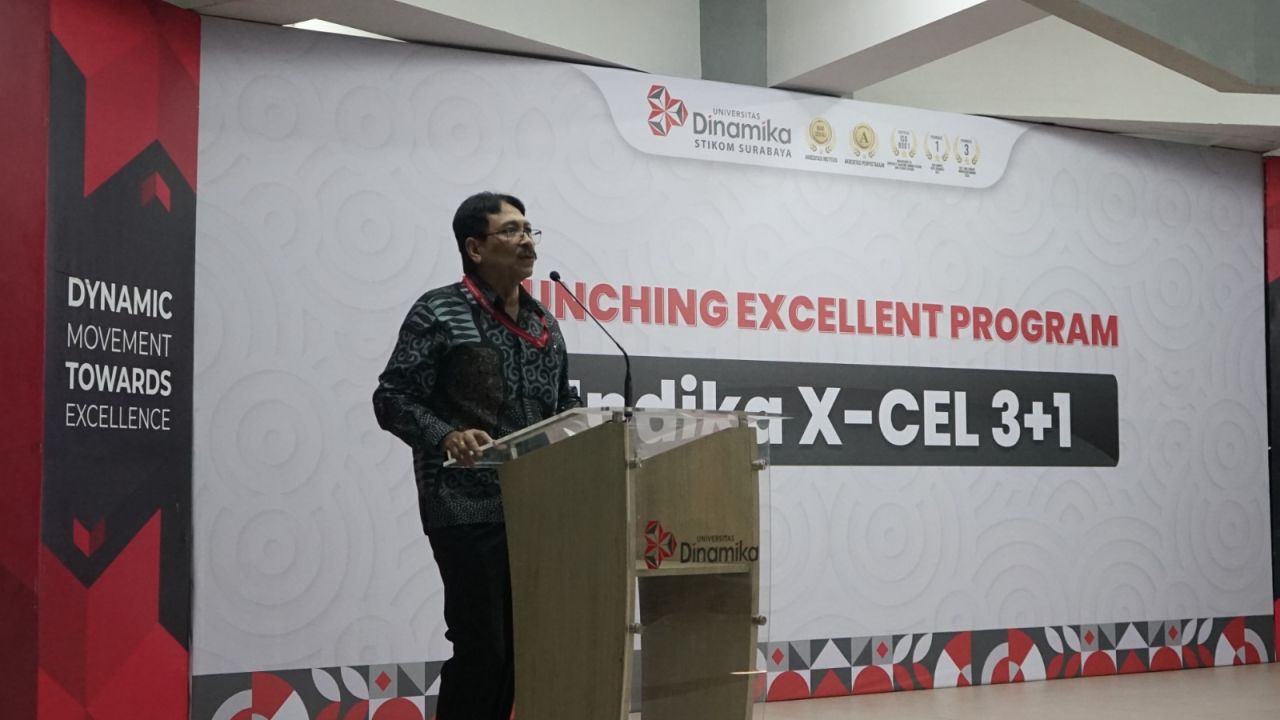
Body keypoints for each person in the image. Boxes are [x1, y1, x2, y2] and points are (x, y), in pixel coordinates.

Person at [373, 191, 581, 720]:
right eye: (511, 231)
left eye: (529, 229)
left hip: (535, 509)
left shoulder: (545, 323)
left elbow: (562, 403)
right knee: (484, 646)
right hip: (466, 505)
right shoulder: (440, 310)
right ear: (474, 247)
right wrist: (447, 435)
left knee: (522, 650)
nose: (527, 240)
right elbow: (392, 398)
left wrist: (583, 424)